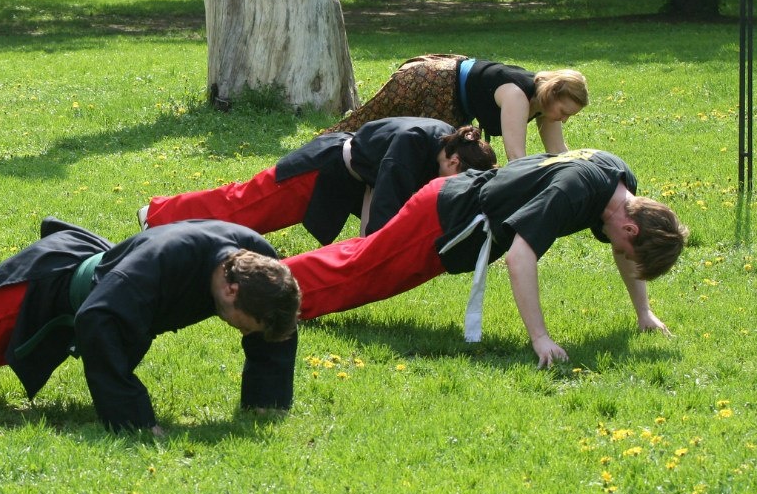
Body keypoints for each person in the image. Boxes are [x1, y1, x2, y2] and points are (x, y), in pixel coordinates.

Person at [0, 218, 301, 434]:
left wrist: (267, 402)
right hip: (45, 286)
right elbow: (97, 319)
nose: (249, 333)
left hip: (95, 279)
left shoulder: (257, 263)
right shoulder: (164, 261)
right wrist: (134, 420)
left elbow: (276, 326)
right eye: (249, 326)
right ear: (233, 291)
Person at [284, 149, 687, 368]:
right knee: (360, 273)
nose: (615, 250)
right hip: (444, 217)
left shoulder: (618, 180)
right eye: (621, 247)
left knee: (361, 261)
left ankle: (272, 279)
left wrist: (644, 313)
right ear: (631, 228)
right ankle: (271, 292)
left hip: (452, 203)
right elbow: (519, 258)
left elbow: (625, 257)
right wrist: (540, 339)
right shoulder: (575, 194)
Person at [140, 118, 496, 243]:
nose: (455, 184)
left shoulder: (446, 141)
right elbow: (390, 198)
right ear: (453, 159)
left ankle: (162, 217)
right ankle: (156, 216)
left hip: (347, 179)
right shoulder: (416, 142)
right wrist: (378, 247)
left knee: (243, 210)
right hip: (320, 168)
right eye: (459, 177)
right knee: (243, 207)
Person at [328, 55, 589, 161]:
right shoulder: (517, 95)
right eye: (564, 112)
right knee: (363, 127)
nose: (563, 120)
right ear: (553, 93)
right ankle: (322, 150)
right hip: (430, 80)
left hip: (453, 95)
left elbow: (558, 153)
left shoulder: (546, 105)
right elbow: (516, 157)